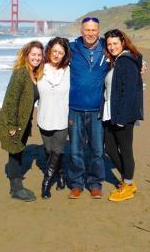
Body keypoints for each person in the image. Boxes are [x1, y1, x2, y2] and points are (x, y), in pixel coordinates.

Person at [68, 17, 109, 199]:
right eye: (87, 30)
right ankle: (77, 184)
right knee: (76, 150)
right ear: (81, 30)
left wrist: (142, 63)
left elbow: (129, 53)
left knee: (97, 151)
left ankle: (95, 183)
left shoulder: (106, 49)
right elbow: (51, 55)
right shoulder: (72, 48)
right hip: (75, 108)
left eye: (94, 30)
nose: (90, 33)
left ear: (98, 30)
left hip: (96, 109)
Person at [0, 41, 44, 202]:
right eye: (33, 54)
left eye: (39, 55)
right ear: (26, 55)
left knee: (18, 151)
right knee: (15, 153)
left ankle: (16, 185)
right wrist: (11, 125)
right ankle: (16, 189)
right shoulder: (21, 73)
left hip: (22, 122)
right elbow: (10, 100)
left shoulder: (33, 73)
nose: (36, 58)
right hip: (13, 122)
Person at [101, 29, 143, 202]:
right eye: (109, 44)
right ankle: (127, 180)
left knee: (125, 149)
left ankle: (128, 184)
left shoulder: (126, 61)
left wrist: (122, 117)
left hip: (122, 114)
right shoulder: (117, 61)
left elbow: (130, 91)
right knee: (110, 148)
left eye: (115, 43)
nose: (112, 47)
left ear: (123, 42)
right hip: (112, 112)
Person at [37, 37, 71, 199]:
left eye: (61, 52)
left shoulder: (70, 71)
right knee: (49, 151)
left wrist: (139, 62)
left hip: (62, 119)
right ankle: (62, 174)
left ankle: (46, 184)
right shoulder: (39, 69)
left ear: (65, 55)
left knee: (57, 151)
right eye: (54, 51)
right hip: (44, 118)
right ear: (49, 50)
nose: (57, 55)